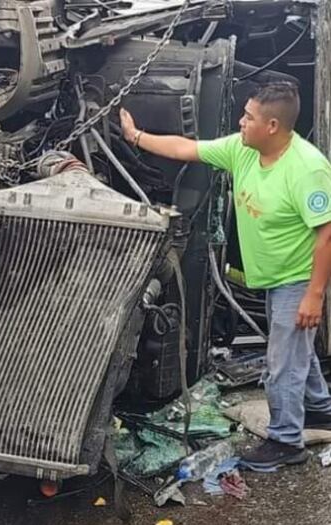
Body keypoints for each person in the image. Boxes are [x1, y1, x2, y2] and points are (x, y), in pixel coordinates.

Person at [121, 82, 331, 470]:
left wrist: (314, 295)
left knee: (282, 360)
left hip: (296, 278)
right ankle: (320, 408)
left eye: (248, 117)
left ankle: (286, 442)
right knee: (294, 346)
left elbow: (327, 233)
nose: (241, 122)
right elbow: (188, 149)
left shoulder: (307, 168)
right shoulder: (242, 149)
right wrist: (136, 137)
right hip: (273, 275)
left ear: (271, 125)